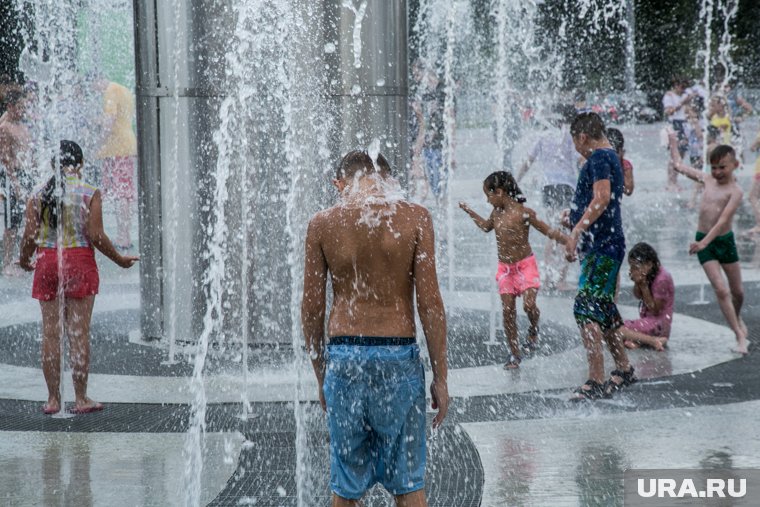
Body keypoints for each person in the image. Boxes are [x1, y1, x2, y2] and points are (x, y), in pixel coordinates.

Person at [301, 150, 448, 505]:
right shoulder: (415, 218)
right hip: (398, 354)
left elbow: (311, 309)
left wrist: (322, 374)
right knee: (408, 482)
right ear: (389, 179)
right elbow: (430, 304)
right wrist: (441, 377)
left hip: (344, 356)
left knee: (346, 484)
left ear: (340, 183)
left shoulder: (322, 223)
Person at [18, 140, 139, 415]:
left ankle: (52, 399)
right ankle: (81, 398)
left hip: (47, 263)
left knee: (50, 334)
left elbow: (29, 236)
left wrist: (26, 261)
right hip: (79, 263)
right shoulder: (89, 192)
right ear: (80, 165)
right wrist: (120, 260)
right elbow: (96, 235)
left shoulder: (37, 194)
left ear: (53, 165)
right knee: (78, 333)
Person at [459, 171, 568, 368]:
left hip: (525, 266)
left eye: (488, 195)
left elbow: (547, 230)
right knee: (508, 311)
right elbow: (485, 227)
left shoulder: (524, 213)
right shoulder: (496, 213)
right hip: (505, 270)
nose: (487, 200)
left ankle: (533, 328)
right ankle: (514, 353)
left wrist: (569, 241)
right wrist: (469, 212)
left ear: (499, 192)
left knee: (528, 306)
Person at [563, 112, 636, 400]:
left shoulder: (598, 158)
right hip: (606, 244)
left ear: (582, 136)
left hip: (602, 247)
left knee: (585, 308)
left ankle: (595, 380)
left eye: (575, 142)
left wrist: (577, 229)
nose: (576, 148)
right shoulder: (609, 157)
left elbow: (602, 198)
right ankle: (624, 368)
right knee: (603, 309)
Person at [668, 133, 748, 354]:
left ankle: (737, 317)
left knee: (738, 292)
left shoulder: (736, 191)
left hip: (723, 241)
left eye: (722, 167)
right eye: (714, 167)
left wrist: (704, 242)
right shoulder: (707, 179)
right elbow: (678, 166)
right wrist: (674, 143)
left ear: (735, 165)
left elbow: (723, 221)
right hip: (704, 243)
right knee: (721, 290)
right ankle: (739, 335)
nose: (717, 172)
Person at [517, 104, 578, 289]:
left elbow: (528, 161)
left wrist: (516, 180)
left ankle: (546, 277)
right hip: (566, 186)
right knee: (566, 231)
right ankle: (561, 279)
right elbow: (580, 158)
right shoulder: (568, 137)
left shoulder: (542, 137)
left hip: (548, 187)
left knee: (552, 231)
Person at [95, 78, 137, 250]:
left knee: (121, 193)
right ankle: (124, 234)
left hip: (116, 147)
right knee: (124, 193)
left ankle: (122, 237)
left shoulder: (111, 91)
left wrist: (99, 141)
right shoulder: (124, 89)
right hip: (125, 144)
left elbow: (109, 120)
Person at [619, 243, 674, 352]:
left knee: (617, 330)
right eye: (631, 267)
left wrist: (644, 285)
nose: (632, 270)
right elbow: (638, 295)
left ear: (649, 264)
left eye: (635, 267)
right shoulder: (649, 273)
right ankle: (639, 340)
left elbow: (655, 309)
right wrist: (637, 282)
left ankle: (652, 341)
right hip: (648, 322)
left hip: (659, 325)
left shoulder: (662, 279)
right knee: (613, 329)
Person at [0, 89, 32, 276]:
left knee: (28, 218)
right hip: (13, 178)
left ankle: (22, 259)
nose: (22, 110)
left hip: (27, 174)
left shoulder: (22, 125)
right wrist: (16, 185)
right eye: (19, 107)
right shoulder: (4, 128)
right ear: (10, 107)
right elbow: (5, 160)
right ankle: (6, 263)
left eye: (24, 106)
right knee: (12, 223)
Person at [662, 76, 696, 190]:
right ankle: (670, 181)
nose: (683, 89)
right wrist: (682, 102)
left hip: (684, 125)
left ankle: (674, 181)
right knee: (674, 155)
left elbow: (687, 111)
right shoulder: (669, 96)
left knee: (681, 155)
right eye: (682, 86)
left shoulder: (683, 95)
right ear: (676, 85)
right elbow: (668, 112)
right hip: (675, 125)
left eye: (685, 87)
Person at [606, 128, 634, 196]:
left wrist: (617, 170)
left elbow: (628, 191)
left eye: (615, 154)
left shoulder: (625, 165)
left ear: (622, 152)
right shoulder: (597, 162)